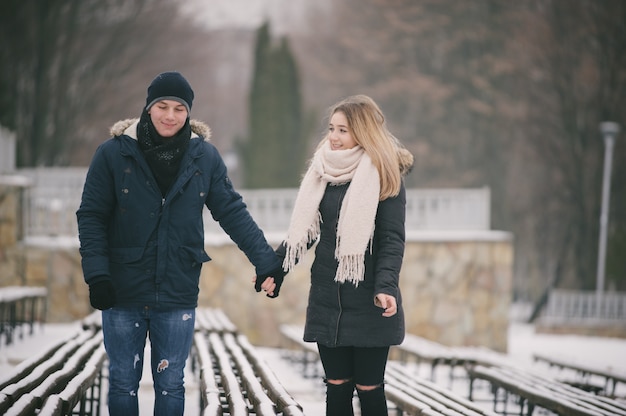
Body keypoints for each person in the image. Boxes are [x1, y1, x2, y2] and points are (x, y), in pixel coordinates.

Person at [77, 71, 282, 416]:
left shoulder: (205, 157)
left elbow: (231, 211)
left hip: (177, 289)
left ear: (189, 113)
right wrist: (98, 275)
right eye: (162, 106)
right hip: (121, 289)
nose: (170, 115)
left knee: (171, 384)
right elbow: (92, 216)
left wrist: (265, 261)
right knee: (123, 381)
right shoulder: (113, 154)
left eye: (179, 108)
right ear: (148, 107)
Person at [256, 94, 414, 415]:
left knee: (369, 390)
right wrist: (276, 270)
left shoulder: (385, 175)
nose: (333, 137)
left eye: (343, 130)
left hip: (369, 300)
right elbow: (306, 232)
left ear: (363, 132)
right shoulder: (323, 173)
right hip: (329, 300)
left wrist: (385, 287)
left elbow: (391, 239)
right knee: (336, 388)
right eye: (331, 128)